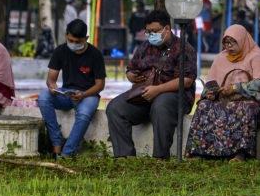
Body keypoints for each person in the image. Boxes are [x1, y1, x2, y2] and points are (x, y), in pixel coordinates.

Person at [106, 9, 197, 160]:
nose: (150, 35)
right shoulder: (144, 47)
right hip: (145, 95)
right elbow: (130, 68)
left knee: (161, 104)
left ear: (167, 28)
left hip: (176, 96)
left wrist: (158, 90)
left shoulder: (184, 48)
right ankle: (125, 155)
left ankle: (160, 157)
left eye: (154, 31)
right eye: (148, 32)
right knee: (114, 108)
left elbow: (186, 80)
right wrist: (131, 76)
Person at [185, 24, 260, 163]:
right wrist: (212, 94)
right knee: (204, 106)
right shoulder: (221, 58)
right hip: (227, 99)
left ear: (242, 40)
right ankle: (199, 152)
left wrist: (235, 88)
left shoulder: (257, 56)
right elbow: (210, 84)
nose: (229, 46)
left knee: (243, 107)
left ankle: (240, 154)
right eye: (226, 43)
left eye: (233, 42)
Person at [38, 19, 106, 159]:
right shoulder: (61, 50)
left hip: (88, 95)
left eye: (77, 41)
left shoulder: (95, 54)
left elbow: (100, 85)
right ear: (66, 36)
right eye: (70, 40)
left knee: (85, 113)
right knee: (44, 97)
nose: (73, 44)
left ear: (86, 38)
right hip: (66, 92)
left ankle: (67, 154)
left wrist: (83, 94)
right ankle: (56, 143)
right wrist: (52, 86)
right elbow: (51, 78)